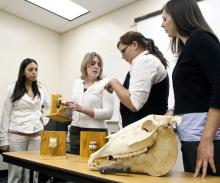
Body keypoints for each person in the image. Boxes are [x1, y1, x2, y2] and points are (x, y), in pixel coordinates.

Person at [161, 0, 220, 177]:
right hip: (191, 136)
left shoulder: (200, 39)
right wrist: (173, 111)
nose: (162, 23)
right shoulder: (188, 47)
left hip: (205, 137)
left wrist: (206, 140)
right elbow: (195, 94)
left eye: (165, 18)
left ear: (179, 15)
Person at [0, 58, 50, 183]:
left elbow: (49, 107)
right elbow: (5, 114)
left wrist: (43, 120)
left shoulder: (41, 88)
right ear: (23, 72)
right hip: (16, 134)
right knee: (16, 172)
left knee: (33, 172)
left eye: (36, 70)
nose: (34, 72)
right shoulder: (13, 88)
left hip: (36, 134)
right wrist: (3, 140)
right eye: (30, 69)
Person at [105, 31, 169, 127]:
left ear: (134, 45)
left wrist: (114, 82)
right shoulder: (143, 62)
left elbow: (134, 104)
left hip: (147, 134)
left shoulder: (144, 61)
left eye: (123, 51)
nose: (122, 56)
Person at [66, 52, 114, 155]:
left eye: (99, 64)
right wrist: (67, 108)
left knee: (90, 168)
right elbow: (75, 108)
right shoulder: (77, 83)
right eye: (92, 63)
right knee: (74, 165)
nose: (96, 66)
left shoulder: (106, 83)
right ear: (85, 65)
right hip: (75, 130)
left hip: (95, 132)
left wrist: (82, 109)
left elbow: (108, 113)